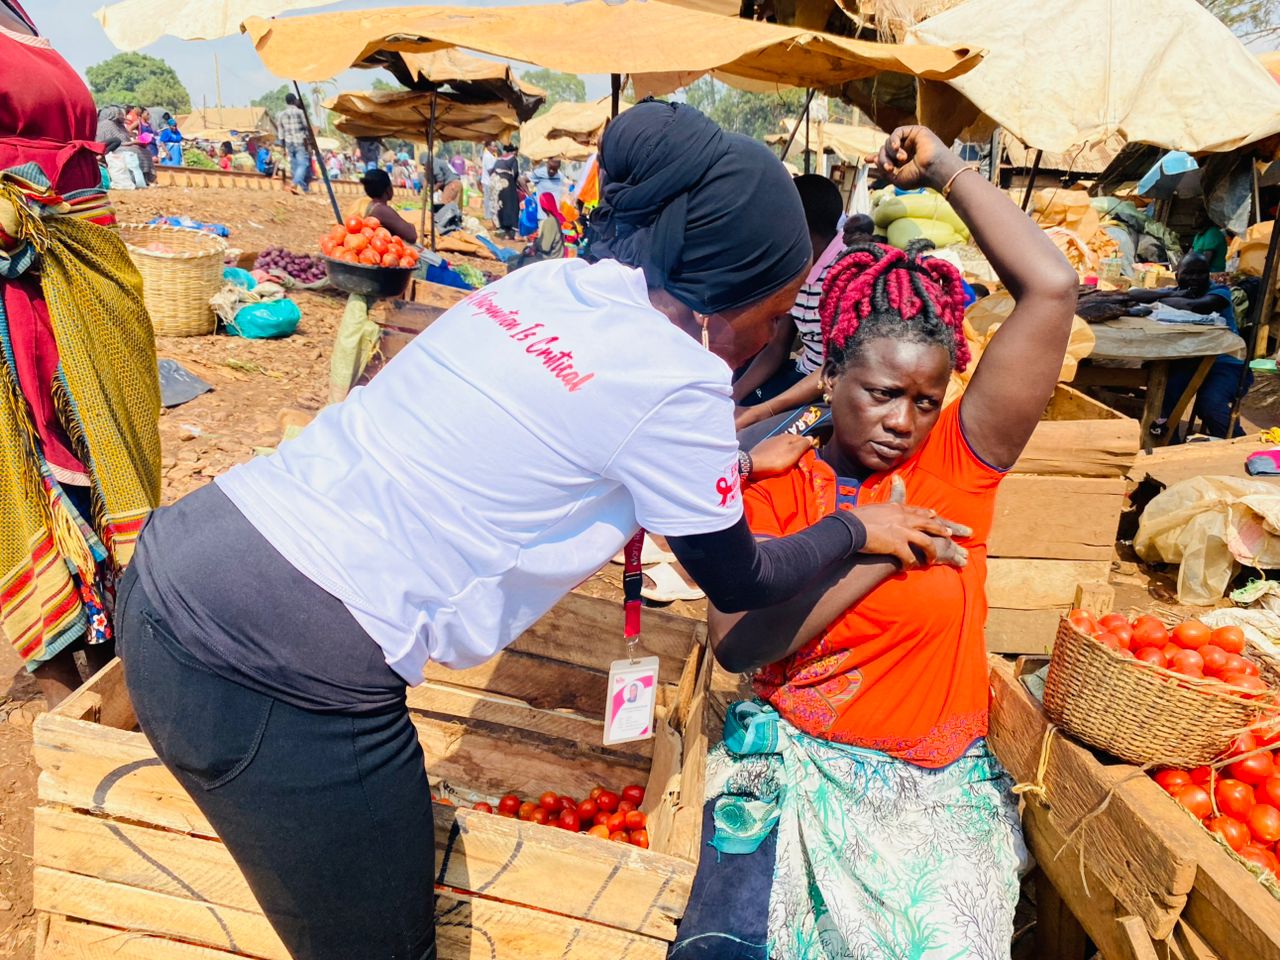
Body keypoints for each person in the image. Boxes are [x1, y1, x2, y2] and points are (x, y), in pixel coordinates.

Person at [115, 99, 963, 960]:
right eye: (773, 313)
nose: (772, 336)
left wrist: (736, 468)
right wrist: (859, 530)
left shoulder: (547, 284)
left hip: (182, 563)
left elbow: (552, 444)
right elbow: (742, 578)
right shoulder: (681, 380)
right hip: (284, 668)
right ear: (725, 296)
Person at [670, 125, 1078, 960]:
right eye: (882, 393)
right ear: (832, 376)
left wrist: (944, 169)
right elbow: (737, 642)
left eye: (926, 400)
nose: (903, 421)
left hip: (936, 799)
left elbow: (1051, 287)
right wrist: (869, 544)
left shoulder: (957, 465)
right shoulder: (783, 481)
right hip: (798, 776)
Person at [0, 0, 161, 707]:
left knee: (108, 459)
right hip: (21, 284)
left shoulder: (19, 13)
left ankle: (119, 645)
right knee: (40, 471)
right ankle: (69, 688)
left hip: (85, 270)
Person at [734, 174, 845, 419]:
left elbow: (837, 367)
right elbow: (778, 345)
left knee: (755, 431)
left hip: (827, 389)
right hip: (800, 375)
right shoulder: (799, 266)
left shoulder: (845, 276)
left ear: (797, 226)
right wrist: (735, 395)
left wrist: (757, 413)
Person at [1111, 250, 1249, 437]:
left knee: (1210, 404)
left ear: (1208, 275)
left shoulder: (1219, 292)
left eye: (1201, 273)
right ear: (1177, 276)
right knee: (1164, 392)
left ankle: (1240, 443)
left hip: (1225, 363)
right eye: (1189, 273)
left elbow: (1196, 306)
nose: (1195, 278)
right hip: (1191, 360)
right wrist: (1170, 293)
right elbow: (1134, 294)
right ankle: (1168, 441)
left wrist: (1163, 298)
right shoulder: (1178, 291)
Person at [348, 169, 417, 245]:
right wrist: (411, 227)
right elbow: (412, 236)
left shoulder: (373, 204)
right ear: (388, 188)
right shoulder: (382, 210)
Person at [513, 192, 567, 268]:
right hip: (552, 256)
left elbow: (545, 247)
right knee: (517, 258)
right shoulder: (554, 220)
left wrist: (535, 244)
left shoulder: (550, 222)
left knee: (514, 263)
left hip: (549, 258)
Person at [277, 92, 312, 194]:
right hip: (299, 141)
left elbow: (280, 133)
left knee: (294, 165)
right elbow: (306, 127)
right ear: (294, 101)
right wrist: (309, 141)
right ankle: (295, 183)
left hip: (289, 143)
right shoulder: (300, 112)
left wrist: (283, 146)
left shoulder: (281, 115)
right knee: (303, 164)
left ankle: (301, 188)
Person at [492, 142, 520, 238]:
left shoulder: (499, 158)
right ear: (514, 151)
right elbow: (515, 173)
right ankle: (512, 229)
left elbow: (493, 170)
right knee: (512, 205)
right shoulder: (513, 159)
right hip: (507, 182)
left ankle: (502, 227)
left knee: (501, 205)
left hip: (498, 183)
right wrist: (515, 184)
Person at [481, 139, 499, 223]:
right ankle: (488, 217)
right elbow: (490, 171)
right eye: (494, 146)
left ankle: (490, 216)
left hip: (490, 181)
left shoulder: (492, 156)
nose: (495, 148)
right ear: (488, 147)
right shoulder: (488, 156)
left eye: (496, 146)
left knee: (491, 199)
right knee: (488, 199)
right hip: (488, 181)